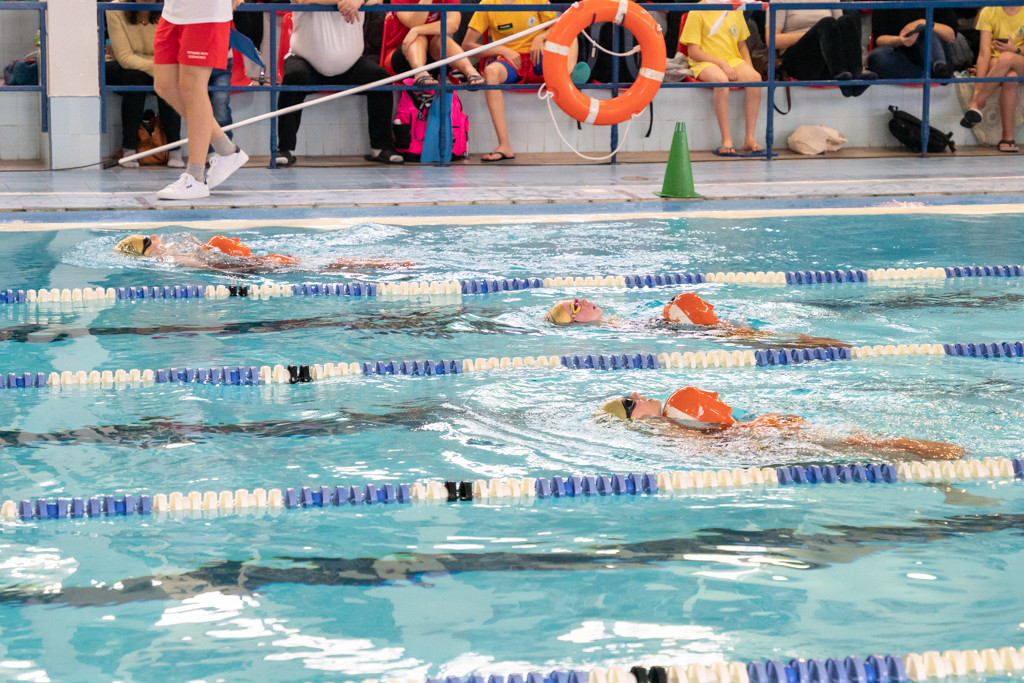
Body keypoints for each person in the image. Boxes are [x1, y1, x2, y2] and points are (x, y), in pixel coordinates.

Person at [600, 386, 966, 461]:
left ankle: (931, 459)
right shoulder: (666, 426)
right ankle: (939, 454)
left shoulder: (669, 421)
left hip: (764, 430)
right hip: (764, 434)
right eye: (629, 402)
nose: (637, 393)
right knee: (860, 443)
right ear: (632, 419)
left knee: (859, 444)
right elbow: (703, 448)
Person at [276, 0, 405, 167]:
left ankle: (381, 148)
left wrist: (358, 1)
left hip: (351, 65)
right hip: (306, 62)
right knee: (293, 78)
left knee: (380, 79)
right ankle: (285, 149)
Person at [461, 0, 587, 162]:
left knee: (571, 35)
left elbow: (560, 24)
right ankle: (504, 145)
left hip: (540, 60)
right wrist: (501, 49)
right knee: (491, 72)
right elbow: (467, 45)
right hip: (512, 63)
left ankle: (568, 79)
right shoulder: (487, 3)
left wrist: (540, 38)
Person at [153, 0, 249, 200]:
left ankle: (195, 177)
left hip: (206, 12)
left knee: (193, 86)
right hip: (174, 10)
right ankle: (226, 149)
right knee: (164, 85)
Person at [543, 293, 848, 349]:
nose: (581, 300)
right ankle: (814, 343)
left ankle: (810, 342)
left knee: (752, 335)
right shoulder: (608, 330)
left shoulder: (611, 323)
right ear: (574, 322)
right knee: (753, 336)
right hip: (686, 334)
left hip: (681, 330)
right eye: (575, 305)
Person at [105, 0, 185, 169]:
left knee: (168, 79)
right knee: (136, 78)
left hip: (156, 64)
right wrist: (162, 69)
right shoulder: (115, 8)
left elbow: (172, 51)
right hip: (120, 66)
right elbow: (125, 58)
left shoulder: (169, 8)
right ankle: (129, 149)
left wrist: (164, 70)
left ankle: (174, 149)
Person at [680, 3, 764, 156]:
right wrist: (721, 64)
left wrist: (749, 67)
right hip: (704, 61)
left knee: (755, 79)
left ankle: (749, 139)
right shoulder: (697, 12)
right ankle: (726, 140)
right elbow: (693, 52)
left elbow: (741, 44)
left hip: (732, 60)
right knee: (721, 80)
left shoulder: (735, 9)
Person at [113, 233, 414, 272]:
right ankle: (390, 264)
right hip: (260, 266)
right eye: (147, 240)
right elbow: (208, 266)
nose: (154, 236)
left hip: (257, 263)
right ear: (146, 252)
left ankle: (387, 263)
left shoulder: (172, 256)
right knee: (330, 266)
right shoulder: (173, 258)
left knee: (328, 265)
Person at [769, 2, 877, 98]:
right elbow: (772, 40)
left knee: (846, 20)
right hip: (798, 60)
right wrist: (815, 33)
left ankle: (856, 74)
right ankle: (841, 76)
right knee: (827, 23)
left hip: (828, 58)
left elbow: (841, 28)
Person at [959, 5, 1024, 153]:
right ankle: (1008, 138)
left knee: (1007, 57)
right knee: (1010, 76)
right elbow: (984, 53)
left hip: (1021, 59)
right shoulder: (988, 10)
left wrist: (1015, 49)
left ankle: (976, 104)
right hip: (998, 61)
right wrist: (977, 86)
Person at [380, 0, 485, 90]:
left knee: (441, 40)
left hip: (434, 56)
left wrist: (417, 30)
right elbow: (415, 23)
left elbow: (453, 24)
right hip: (403, 55)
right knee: (419, 38)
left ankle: (470, 72)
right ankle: (419, 72)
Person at [867, 5, 958, 80]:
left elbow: (951, 35)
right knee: (876, 57)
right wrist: (901, 40)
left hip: (932, 52)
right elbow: (879, 38)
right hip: (901, 55)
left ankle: (939, 67)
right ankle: (923, 75)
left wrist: (926, 23)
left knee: (924, 28)